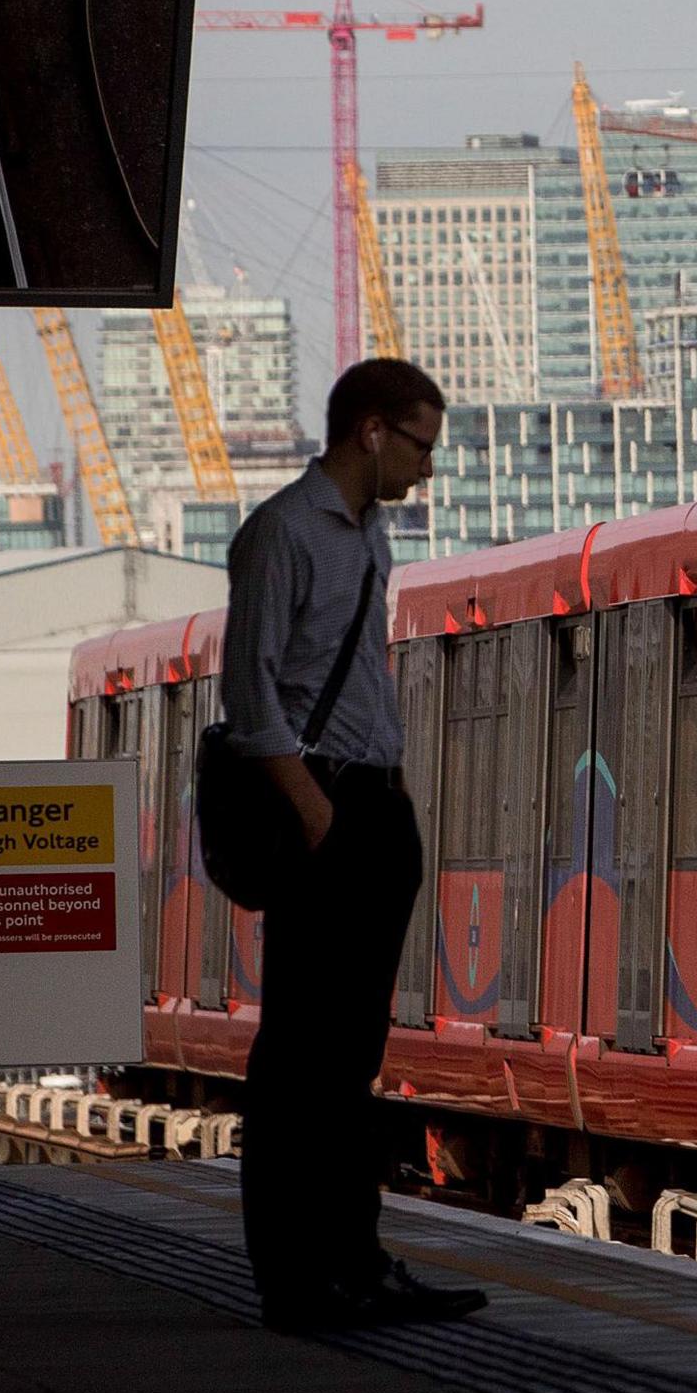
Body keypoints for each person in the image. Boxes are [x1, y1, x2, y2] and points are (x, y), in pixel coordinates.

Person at [218, 355, 485, 1332]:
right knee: (299, 1057)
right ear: (371, 430)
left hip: (370, 806)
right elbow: (250, 700)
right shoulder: (283, 534)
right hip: (318, 808)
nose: (427, 467)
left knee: (351, 1055)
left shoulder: (367, 536)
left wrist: (383, 803)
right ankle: (295, 1279)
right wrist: (318, 812)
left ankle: (356, 1261)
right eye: (421, 444)